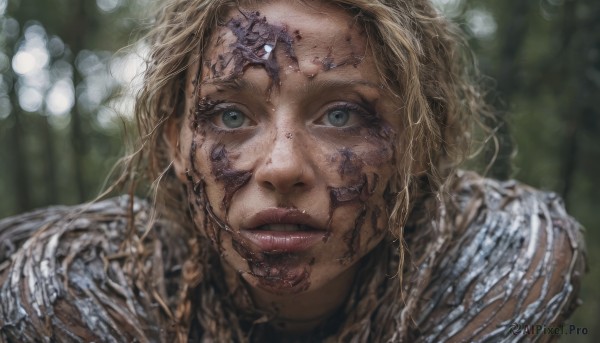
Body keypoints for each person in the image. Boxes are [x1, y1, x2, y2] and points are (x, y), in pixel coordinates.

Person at [0, 0, 586, 342]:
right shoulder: (77, 290)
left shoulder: (503, 259)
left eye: (340, 114)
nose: (282, 167)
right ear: (177, 145)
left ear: (416, 142)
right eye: (230, 114)